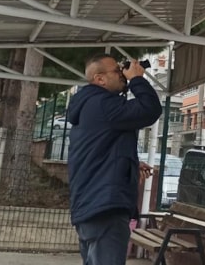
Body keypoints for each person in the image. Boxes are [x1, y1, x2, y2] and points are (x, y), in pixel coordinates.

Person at [66, 54, 162, 265]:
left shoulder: (90, 105)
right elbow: (150, 109)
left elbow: (99, 152)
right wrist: (137, 79)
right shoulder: (103, 104)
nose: (122, 74)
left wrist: (130, 164)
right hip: (105, 209)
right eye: (117, 71)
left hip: (92, 207)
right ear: (100, 79)